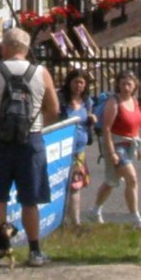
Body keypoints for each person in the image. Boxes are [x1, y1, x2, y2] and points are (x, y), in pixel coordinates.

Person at [0, 27, 58, 266]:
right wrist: (35, 125)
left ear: (4, 48)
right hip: (31, 140)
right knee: (30, 200)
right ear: (27, 49)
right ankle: (35, 251)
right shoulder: (41, 72)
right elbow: (54, 110)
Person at [94, 69, 141, 229]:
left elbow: (136, 125)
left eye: (129, 84)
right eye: (123, 84)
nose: (126, 87)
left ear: (135, 86)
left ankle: (95, 211)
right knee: (132, 178)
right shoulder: (114, 102)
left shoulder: (134, 101)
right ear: (118, 85)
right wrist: (111, 152)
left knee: (111, 182)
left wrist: (139, 146)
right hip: (116, 145)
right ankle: (136, 218)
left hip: (130, 145)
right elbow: (106, 128)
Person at [56, 67, 98, 229]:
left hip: (79, 151)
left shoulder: (87, 102)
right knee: (61, 186)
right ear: (69, 83)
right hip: (62, 151)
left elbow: (89, 121)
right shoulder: (61, 101)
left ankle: (75, 221)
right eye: (76, 82)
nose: (79, 86)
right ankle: (63, 220)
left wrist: (92, 120)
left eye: (82, 83)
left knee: (75, 186)